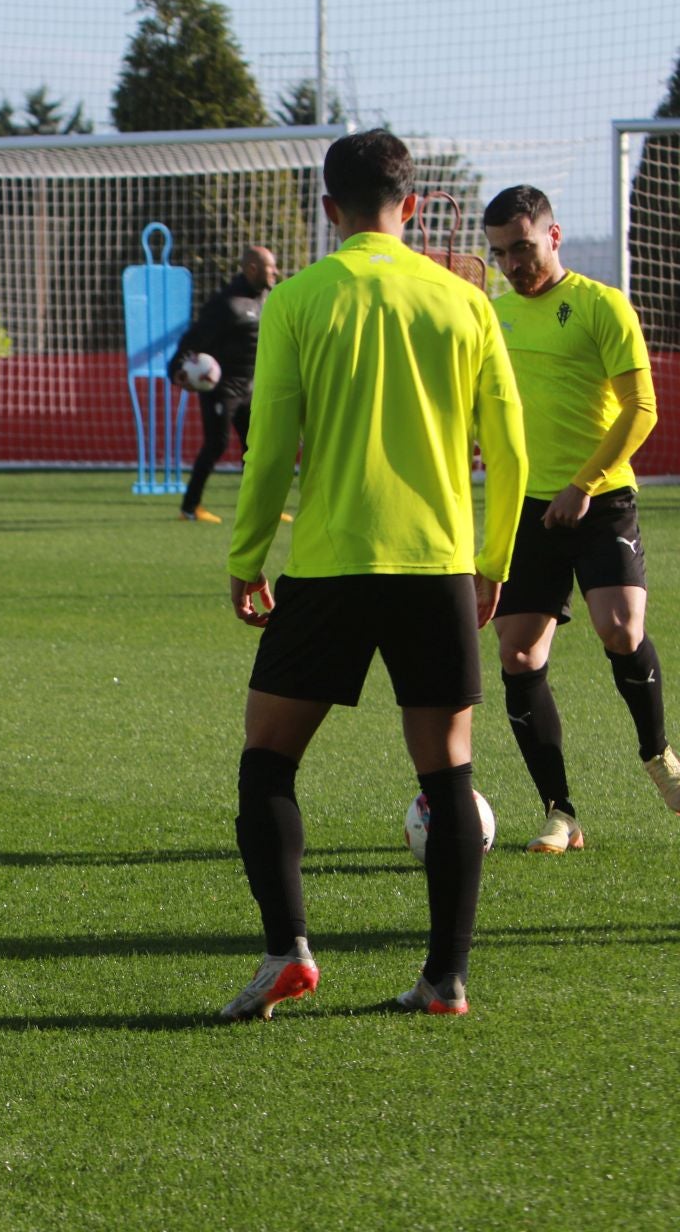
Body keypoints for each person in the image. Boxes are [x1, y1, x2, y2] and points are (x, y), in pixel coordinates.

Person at [221, 129, 526, 1020]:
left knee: (267, 761)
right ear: (414, 205)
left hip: (330, 566)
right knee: (448, 775)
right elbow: (509, 449)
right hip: (436, 566)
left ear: (327, 210)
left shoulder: (298, 299)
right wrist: (494, 561)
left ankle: (288, 952)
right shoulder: (467, 301)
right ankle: (446, 978)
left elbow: (271, 442)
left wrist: (246, 559)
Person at [481, 185, 675, 855]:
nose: (514, 263)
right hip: (526, 508)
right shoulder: (492, 316)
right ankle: (560, 813)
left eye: (524, 248)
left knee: (620, 627)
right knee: (518, 653)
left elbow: (641, 407)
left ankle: (659, 756)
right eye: (502, 253)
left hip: (600, 498)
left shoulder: (600, 306)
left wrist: (582, 484)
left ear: (554, 237)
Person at [174, 245, 280, 524]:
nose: (276, 272)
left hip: (250, 388)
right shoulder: (227, 303)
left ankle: (263, 507)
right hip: (221, 390)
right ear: (253, 269)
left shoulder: (269, 298)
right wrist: (176, 369)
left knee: (257, 449)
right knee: (216, 445)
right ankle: (189, 507)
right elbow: (193, 338)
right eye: (271, 268)